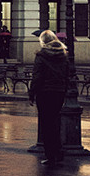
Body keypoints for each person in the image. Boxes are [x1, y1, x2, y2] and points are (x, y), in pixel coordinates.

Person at [28, 29, 69, 167]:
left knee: (46, 124)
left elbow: (37, 76)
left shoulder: (41, 56)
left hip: (44, 93)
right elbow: (67, 74)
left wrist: (32, 93)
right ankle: (58, 151)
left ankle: (50, 156)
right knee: (55, 122)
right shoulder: (63, 55)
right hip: (59, 92)